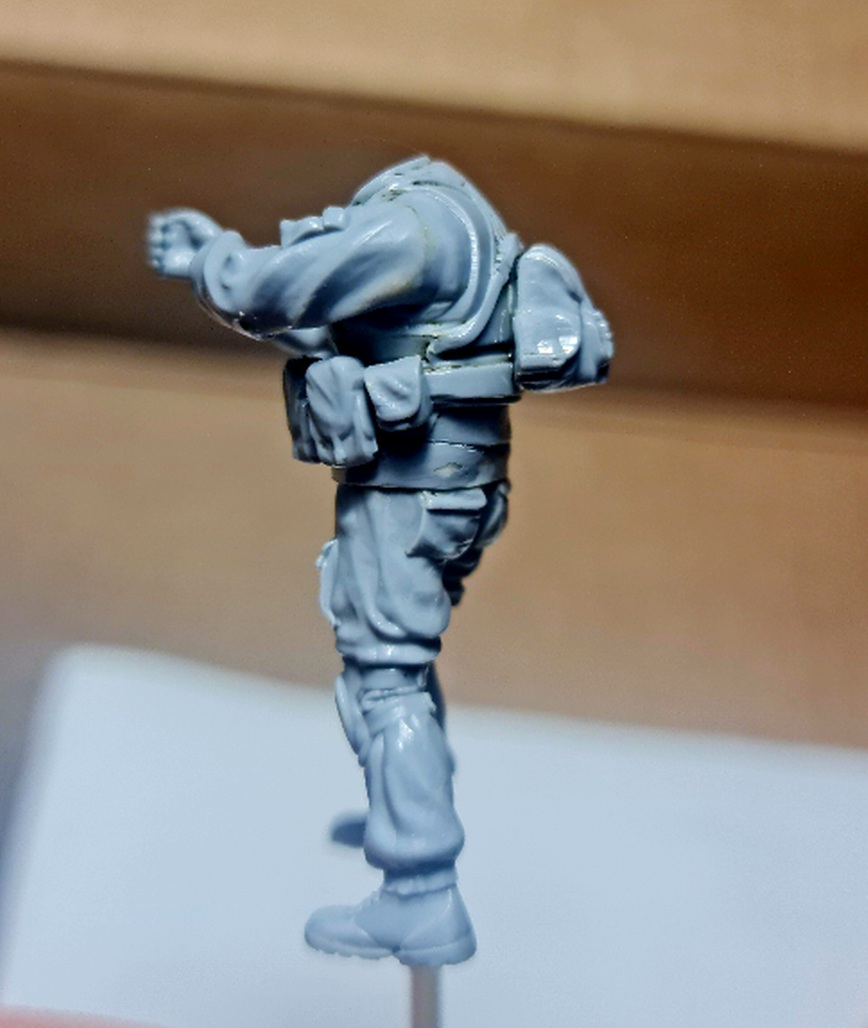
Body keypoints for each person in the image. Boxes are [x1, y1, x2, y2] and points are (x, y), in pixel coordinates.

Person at [147, 157, 612, 965]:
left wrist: (210, 257)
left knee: (382, 678)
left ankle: (419, 890)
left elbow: (262, 293)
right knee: (403, 664)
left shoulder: (410, 227)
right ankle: (409, 805)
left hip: (407, 492)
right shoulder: (463, 222)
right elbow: (340, 327)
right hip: (460, 488)